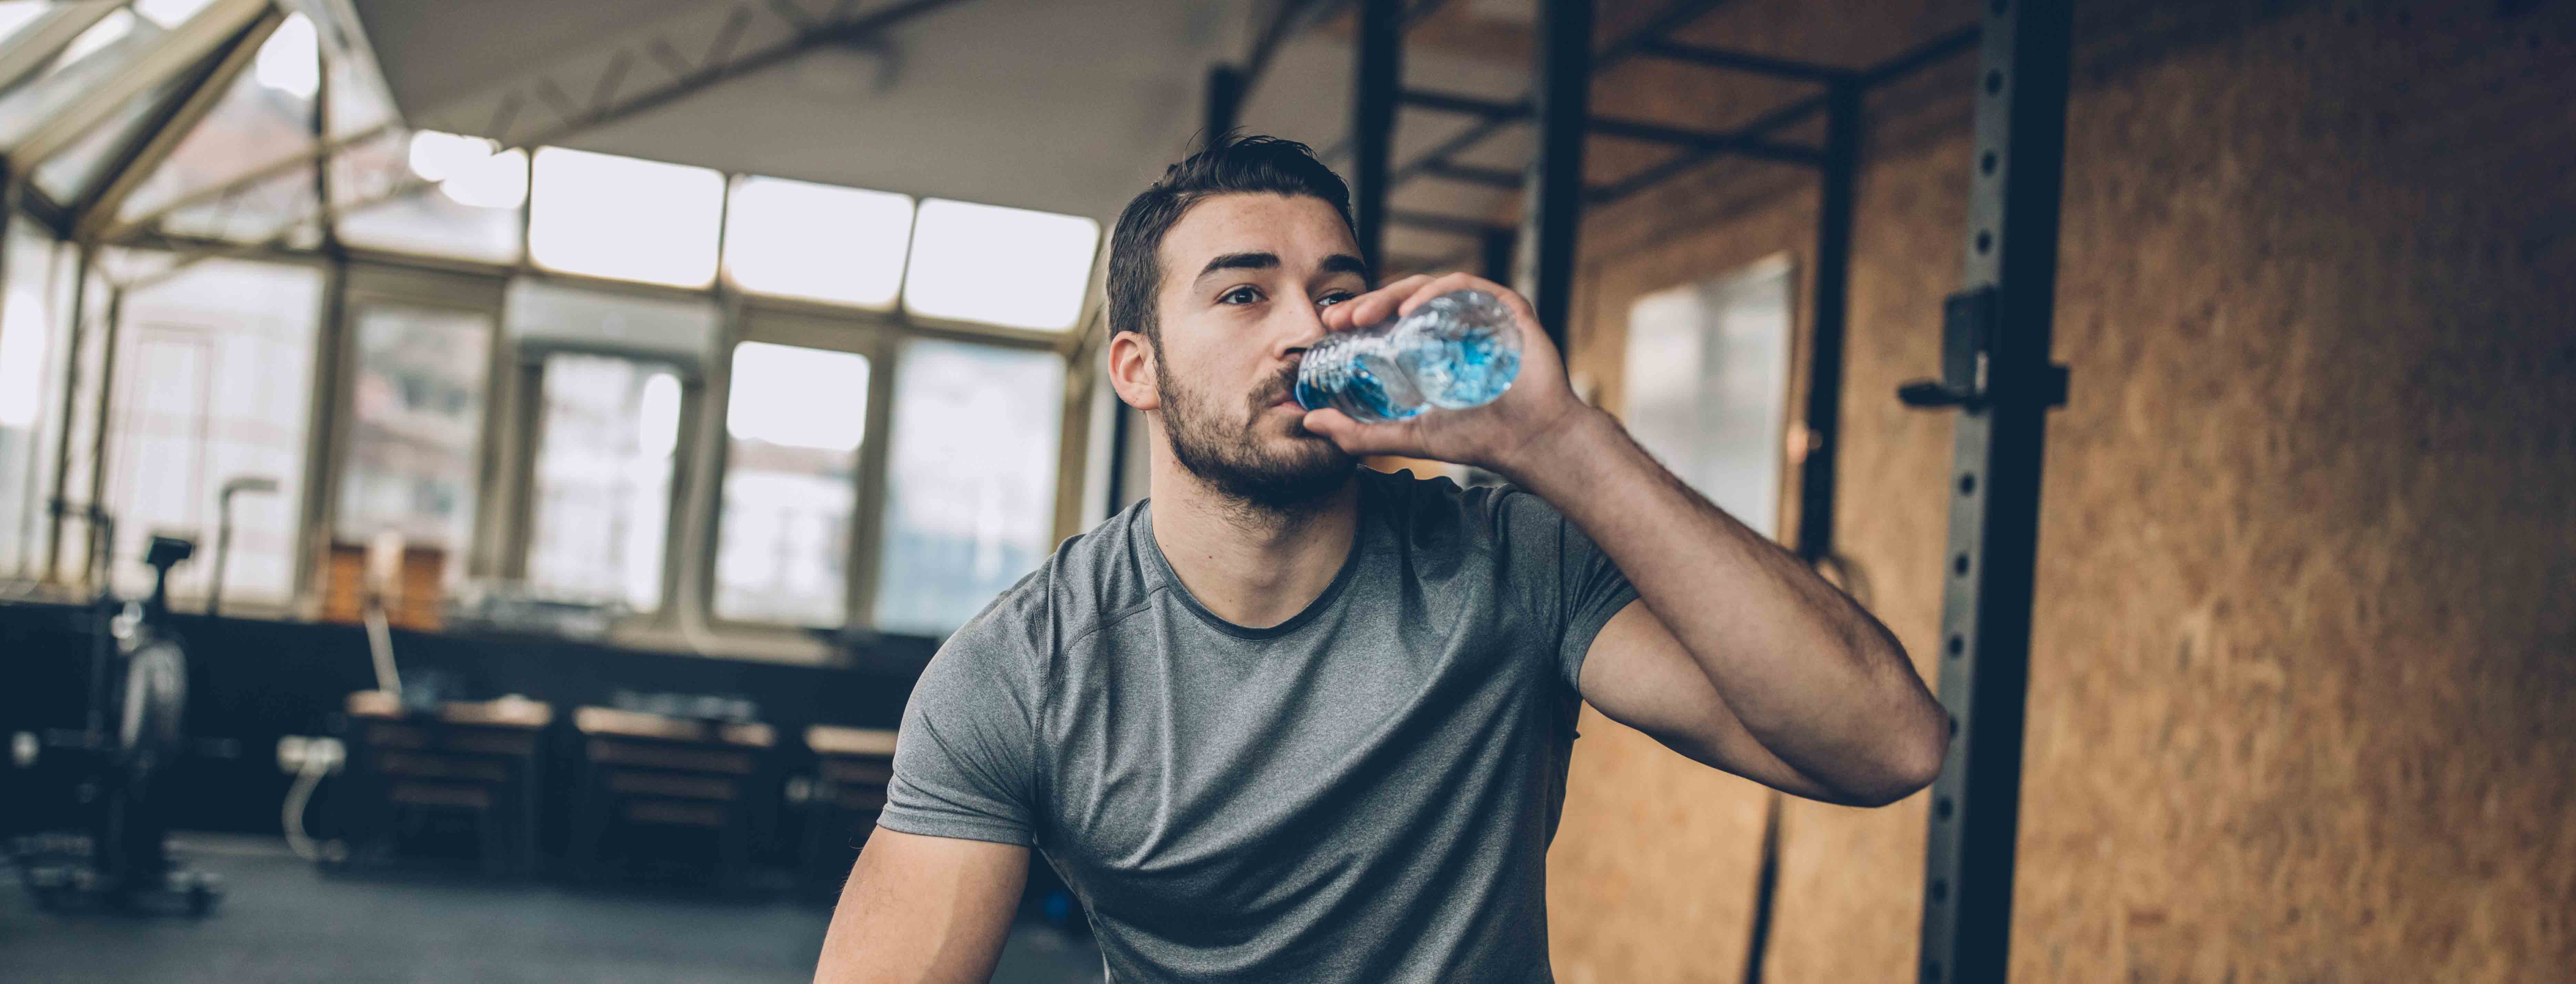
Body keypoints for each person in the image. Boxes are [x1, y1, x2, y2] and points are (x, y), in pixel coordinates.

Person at [813, 134, 1947, 984]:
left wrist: (1564, 442)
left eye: (1337, 291)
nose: (1307, 328)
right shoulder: (1026, 670)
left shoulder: (1512, 563)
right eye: (1245, 293)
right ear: (1137, 369)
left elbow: (1885, 745)